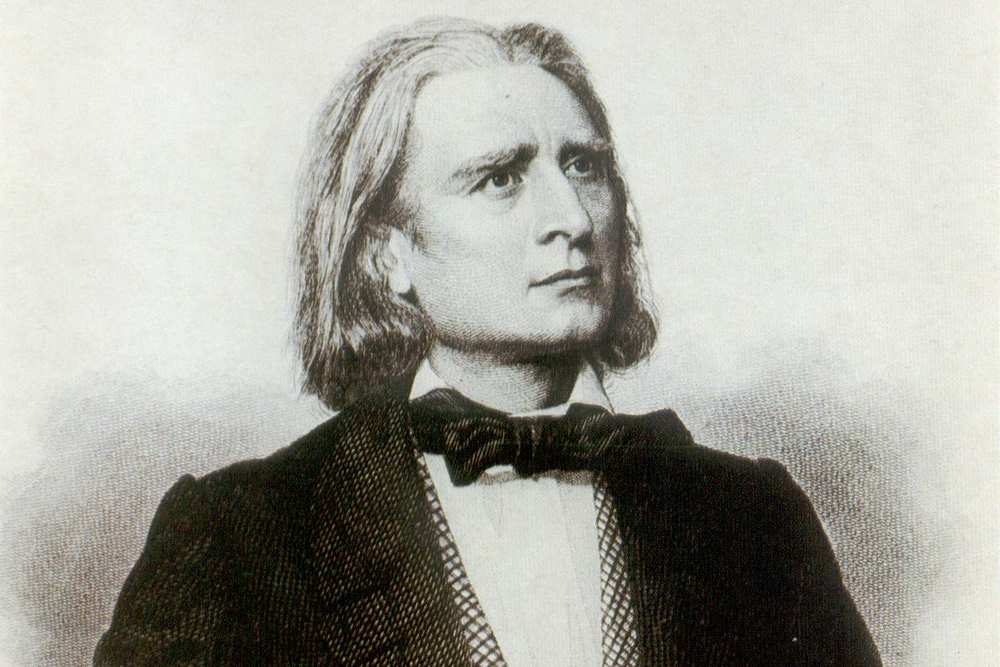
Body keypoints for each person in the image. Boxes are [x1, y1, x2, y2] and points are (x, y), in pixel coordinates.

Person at [94, 17, 881, 666]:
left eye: (585, 167)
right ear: (389, 254)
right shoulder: (238, 537)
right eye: (500, 178)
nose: (571, 218)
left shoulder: (753, 522)